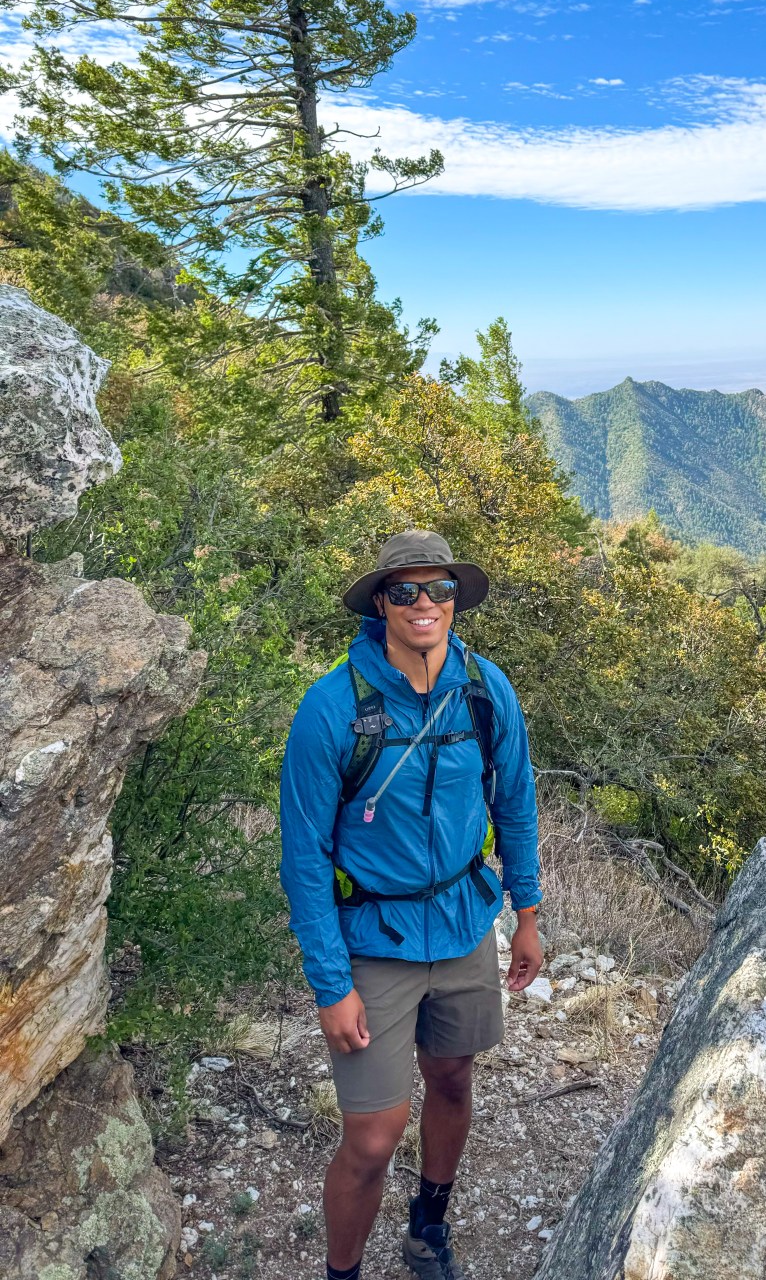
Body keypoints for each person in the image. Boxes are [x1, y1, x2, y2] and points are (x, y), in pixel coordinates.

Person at [280, 530, 544, 1280]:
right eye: (406, 591)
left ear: (457, 599)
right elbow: (303, 859)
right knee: (371, 1136)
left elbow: (515, 802)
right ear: (380, 603)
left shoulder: (487, 691)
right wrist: (331, 985)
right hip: (374, 936)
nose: (424, 605)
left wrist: (526, 913)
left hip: (464, 925)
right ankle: (343, 1273)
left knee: (454, 1076)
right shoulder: (332, 708)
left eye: (439, 590)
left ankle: (429, 1224)